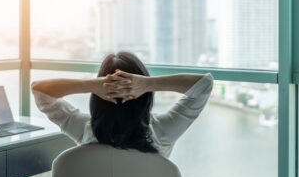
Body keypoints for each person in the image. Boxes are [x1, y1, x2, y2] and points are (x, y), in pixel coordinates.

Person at [31, 52, 213, 158]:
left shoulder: (84, 129)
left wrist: (90, 85)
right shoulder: (163, 131)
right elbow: (204, 84)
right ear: (144, 96)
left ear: (99, 98)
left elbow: (40, 91)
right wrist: (148, 84)